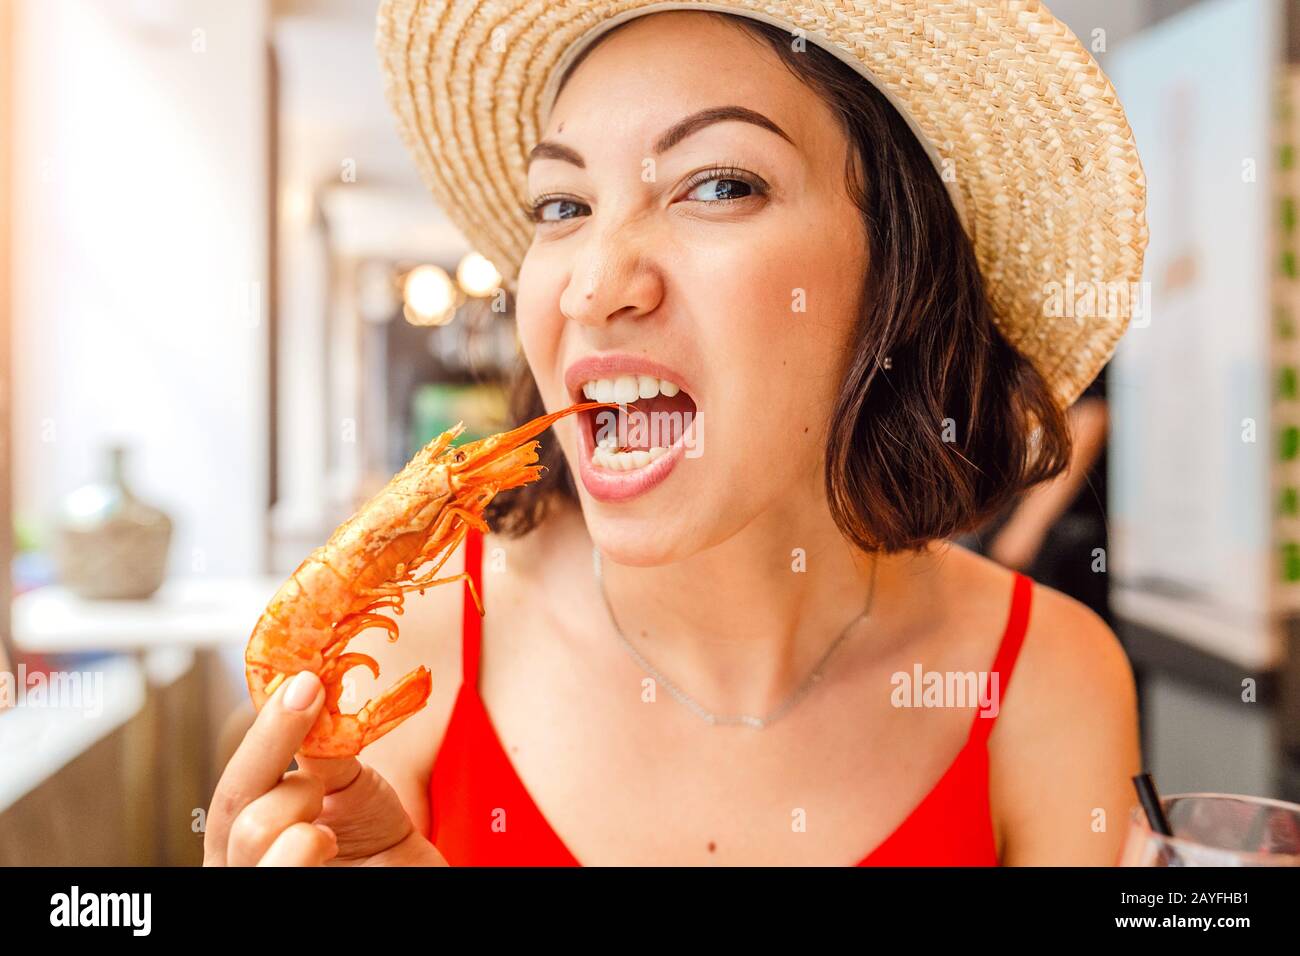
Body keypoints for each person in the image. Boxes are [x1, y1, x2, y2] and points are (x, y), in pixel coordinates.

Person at [204, 1, 1148, 867]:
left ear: (899, 271)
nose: (593, 283)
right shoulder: (404, 657)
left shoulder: (1049, 679)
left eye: (720, 185)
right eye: (563, 207)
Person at [959, 368, 1113, 628]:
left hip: (1059, 541)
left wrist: (1024, 531)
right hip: (1002, 521)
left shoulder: (1069, 333)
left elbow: (1089, 416)